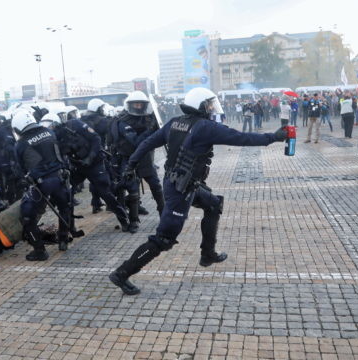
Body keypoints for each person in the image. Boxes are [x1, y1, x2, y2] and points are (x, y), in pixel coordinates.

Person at [109, 87, 289, 295]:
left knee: (213, 204)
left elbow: (148, 143)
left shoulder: (174, 122)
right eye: (209, 104)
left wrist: (131, 165)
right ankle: (122, 273)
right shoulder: (205, 127)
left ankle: (208, 253)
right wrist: (273, 137)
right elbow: (241, 138)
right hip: (180, 190)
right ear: (200, 105)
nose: (212, 108)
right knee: (164, 239)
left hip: (183, 183)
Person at [53, 107, 132, 231]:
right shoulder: (55, 137)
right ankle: (70, 227)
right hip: (77, 166)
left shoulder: (75, 124)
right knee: (67, 194)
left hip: (94, 163)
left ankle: (124, 220)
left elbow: (96, 138)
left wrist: (90, 157)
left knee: (105, 192)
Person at [13, 111, 72, 260]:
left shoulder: (21, 144)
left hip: (41, 184)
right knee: (64, 207)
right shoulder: (49, 132)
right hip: (60, 178)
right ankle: (63, 240)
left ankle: (40, 250)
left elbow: (21, 168)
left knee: (26, 216)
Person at [108, 91, 164, 231]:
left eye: (141, 104)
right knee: (132, 189)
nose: (138, 106)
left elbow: (158, 136)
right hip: (129, 158)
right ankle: (133, 221)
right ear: (130, 105)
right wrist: (150, 130)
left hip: (145, 158)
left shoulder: (149, 118)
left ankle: (164, 216)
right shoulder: (122, 121)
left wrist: (159, 128)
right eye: (136, 104)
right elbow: (136, 142)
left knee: (156, 187)